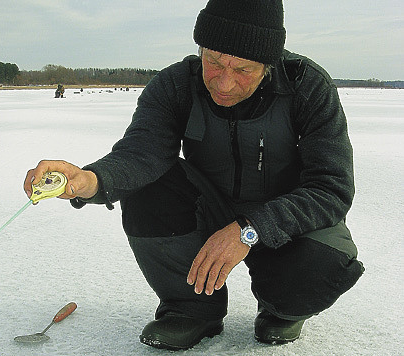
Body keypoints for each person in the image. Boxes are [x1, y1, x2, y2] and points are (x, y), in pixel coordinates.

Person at [24, 0, 364, 350]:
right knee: (148, 185)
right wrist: (89, 181)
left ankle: (282, 310)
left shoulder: (308, 86)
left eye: (243, 69)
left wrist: (250, 229)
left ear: (269, 64)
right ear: (200, 48)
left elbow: (330, 188)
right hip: (210, 208)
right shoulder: (175, 84)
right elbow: (142, 154)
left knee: (323, 265)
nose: (226, 83)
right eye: (214, 62)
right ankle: (191, 309)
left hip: (285, 219)